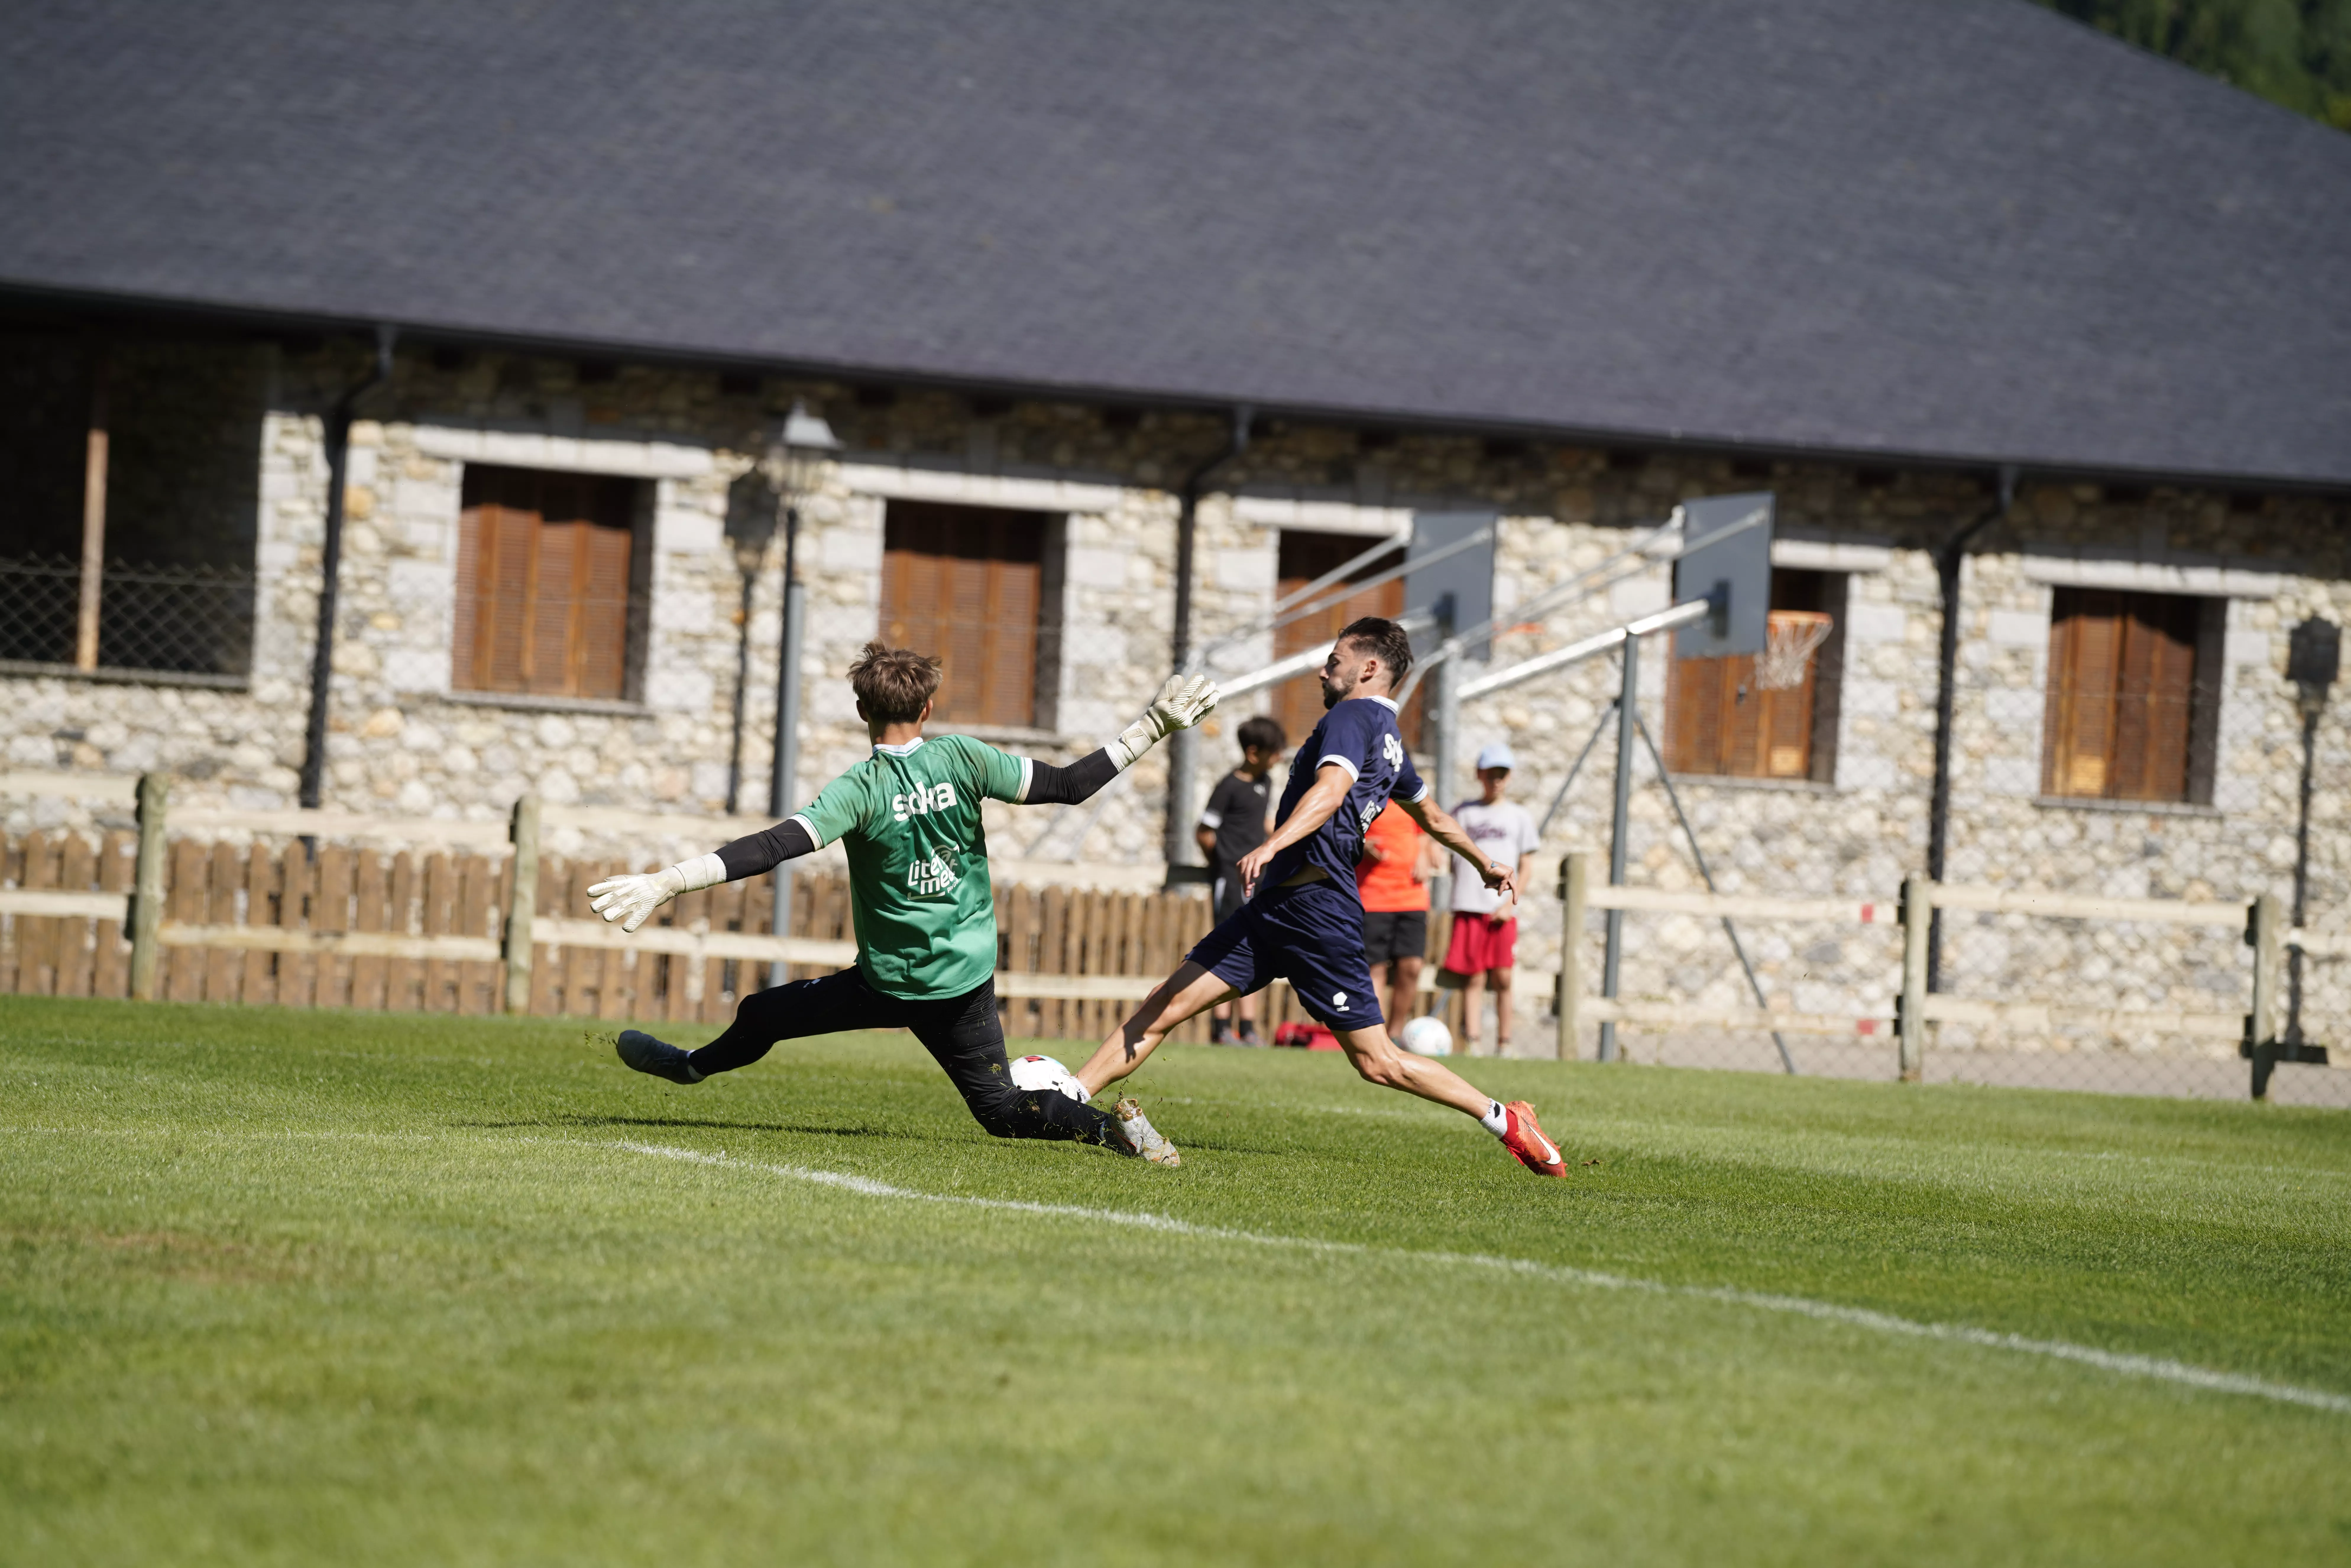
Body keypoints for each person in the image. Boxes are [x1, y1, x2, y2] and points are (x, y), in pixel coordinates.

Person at [589, 642, 1218, 1167]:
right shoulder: (963, 757)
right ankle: (1110, 1129)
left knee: (762, 1013)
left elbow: (774, 846)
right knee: (1001, 1110)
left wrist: (669, 880)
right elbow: (1070, 785)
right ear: (927, 707)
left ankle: (690, 1068)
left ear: (861, 709)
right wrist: (1152, 726)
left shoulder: (859, 789)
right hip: (965, 978)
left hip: (892, 982)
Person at [1068, 617, 1571, 1178]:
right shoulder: (1389, 738)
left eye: (1334, 661)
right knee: (1166, 1001)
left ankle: (1505, 1119)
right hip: (1274, 910)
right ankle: (1065, 1099)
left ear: (1369, 668)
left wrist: (1273, 843)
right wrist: (1483, 862)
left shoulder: (1351, 717)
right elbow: (1432, 816)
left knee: (1379, 1062)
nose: (1322, 671)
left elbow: (1331, 790)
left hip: (1317, 912)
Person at [1441, 743, 1542, 1056]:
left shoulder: (1519, 817)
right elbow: (1446, 851)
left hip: (1502, 910)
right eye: (1490, 774)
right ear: (1479, 775)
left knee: (1503, 977)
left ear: (1509, 777)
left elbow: (1526, 866)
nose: (1495, 780)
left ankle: (1504, 1043)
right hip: (1469, 904)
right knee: (1473, 977)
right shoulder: (1463, 812)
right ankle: (1473, 1041)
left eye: (1501, 774)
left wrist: (1510, 904)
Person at [1197, 715, 1284, 1045]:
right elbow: (1204, 832)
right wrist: (1222, 865)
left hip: (1258, 879)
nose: (1278, 759)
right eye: (1274, 753)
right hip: (1231, 880)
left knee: (1256, 945)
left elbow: (1261, 822)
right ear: (1253, 752)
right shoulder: (1228, 787)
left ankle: (1247, 1028)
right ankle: (1221, 1027)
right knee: (1226, 946)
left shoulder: (1265, 783)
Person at [1355, 784, 1440, 1026]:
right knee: (1374, 968)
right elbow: (1343, 835)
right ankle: (1376, 1031)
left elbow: (1426, 830)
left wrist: (1424, 851)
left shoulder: (1413, 797)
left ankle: (1395, 1032)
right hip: (1373, 898)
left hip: (1412, 898)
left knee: (1412, 966)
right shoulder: (1362, 797)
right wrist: (1363, 846)